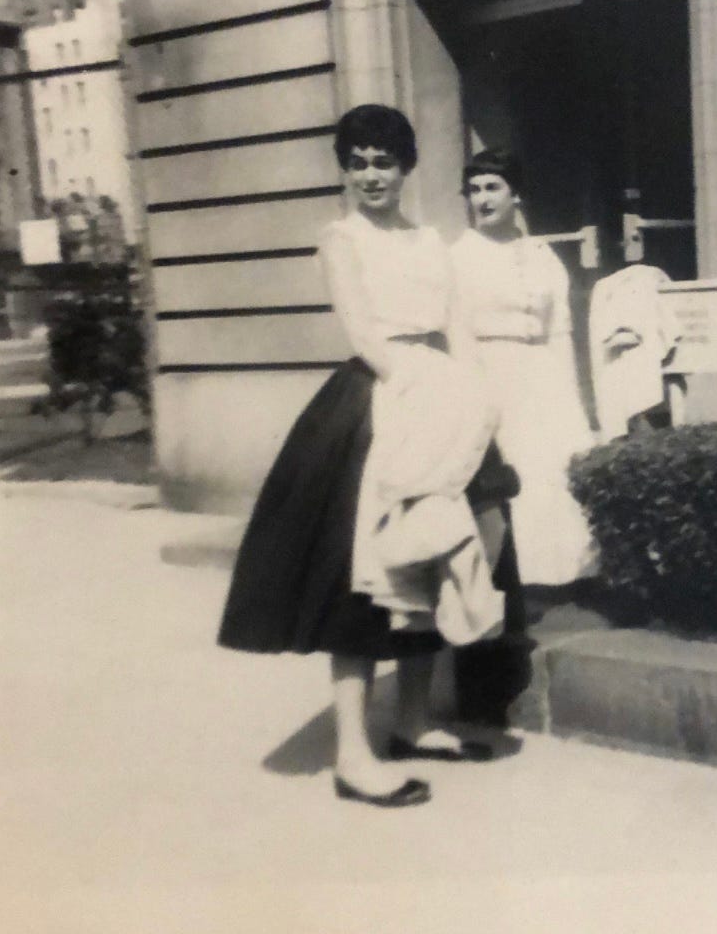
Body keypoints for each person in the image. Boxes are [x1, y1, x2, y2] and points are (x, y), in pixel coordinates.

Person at [218, 105, 527, 809]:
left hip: (441, 396)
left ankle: (413, 723)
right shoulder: (341, 238)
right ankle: (353, 755)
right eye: (356, 162)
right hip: (382, 401)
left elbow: (457, 325)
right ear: (345, 169)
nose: (370, 175)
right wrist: (422, 391)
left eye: (383, 161)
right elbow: (364, 332)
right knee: (366, 577)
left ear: (405, 167)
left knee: (435, 557)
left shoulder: (430, 243)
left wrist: (477, 398)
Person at [450, 148, 597, 588]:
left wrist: (569, 391)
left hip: (543, 371)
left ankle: (566, 572)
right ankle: (518, 576)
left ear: (516, 195)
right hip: (490, 370)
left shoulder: (542, 255)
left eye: (492, 187)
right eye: (474, 190)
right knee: (512, 467)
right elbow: (455, 331)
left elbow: (560, 330)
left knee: (553, 463)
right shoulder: (458, 256)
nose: (482, 199)